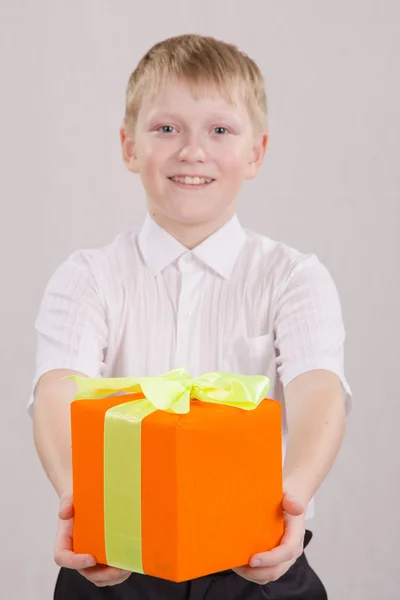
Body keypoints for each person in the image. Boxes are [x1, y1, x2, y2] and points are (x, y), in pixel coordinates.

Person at [30, 33, 352, 599]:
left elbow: (318, 388)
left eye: (220, 130)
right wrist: (76, 498)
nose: (192, 151)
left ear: (256, 152)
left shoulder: (293, 278)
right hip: (116, 559)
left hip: (258, 556)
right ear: (129, 147)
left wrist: (293, 496)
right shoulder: (87, 278)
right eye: (166, 128)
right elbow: (58, 390)